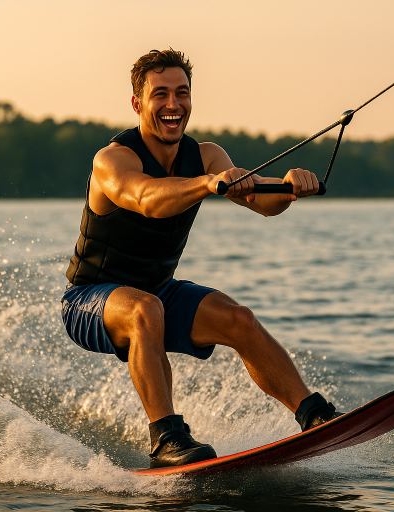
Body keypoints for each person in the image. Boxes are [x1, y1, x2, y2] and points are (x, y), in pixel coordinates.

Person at [62, 49, 341, 469]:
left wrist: (289, 187)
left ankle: (313, 414)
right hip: (90, 299)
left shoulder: (207, 154)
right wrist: (207, 183)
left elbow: (262, 201)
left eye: (182, 93)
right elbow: (147, 199)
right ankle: (167, 438)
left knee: (238, 319)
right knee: (144, 309)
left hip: (157, 291)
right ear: (138, 104)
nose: (173, 105)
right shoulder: (113, 160)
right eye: (160, 95)